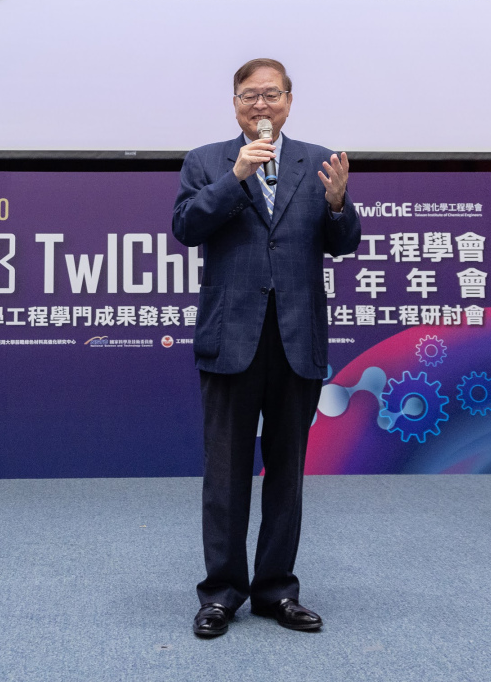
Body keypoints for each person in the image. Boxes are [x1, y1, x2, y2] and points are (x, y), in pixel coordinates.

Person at [172, 58, 359, 639]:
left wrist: (338, 204)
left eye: (271, 94)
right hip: (231, 338)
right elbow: (186, 227)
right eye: (250, 95)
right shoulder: (207, 161)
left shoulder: (319, 160)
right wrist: (235, 178)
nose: (261, 105)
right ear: (235, 103)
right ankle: (221, 593)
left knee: (286, 473)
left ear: (289, 101)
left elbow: (343, 244)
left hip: (297, 339)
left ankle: (277, 590)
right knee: (225, 474)